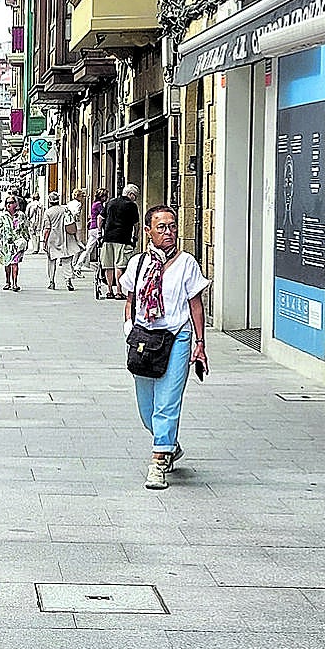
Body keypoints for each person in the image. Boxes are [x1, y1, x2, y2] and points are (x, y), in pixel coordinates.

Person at [120, 205, 210, 490]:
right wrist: (128, 329)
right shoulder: (137, 264)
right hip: (145, 339)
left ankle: (158, 463)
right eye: (161, 227)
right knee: (146, 408)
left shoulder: (186, 263)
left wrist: (200, 343)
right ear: (148, 231)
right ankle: (169, 443)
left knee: (167, 402)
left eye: (172, 226)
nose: (169, 232)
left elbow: (196, 306)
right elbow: (130, 302)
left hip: (177, 337)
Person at [100, 183, 141, 299]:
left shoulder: (110, 202)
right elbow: (136, 224)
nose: (135, 198)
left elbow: (100, 218)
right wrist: (136, 236)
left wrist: (100, 232)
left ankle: (109, 290)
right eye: (135, 196)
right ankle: (119, 291)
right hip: (123, 238)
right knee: (120, 265)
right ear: (130, 194)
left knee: (108, 265)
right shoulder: (131, 206)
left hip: (108, 237)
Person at [43, 192, 82, 290]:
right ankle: (68, 280)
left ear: (50, 201)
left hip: (53, 238)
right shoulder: (65, 209)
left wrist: (44, 241)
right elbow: (71, 221)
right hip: (66, 237)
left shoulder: (48, 212)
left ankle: (51, 282)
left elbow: (47, 228)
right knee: (67, 260)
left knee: (51, 261)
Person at [0, 193, 29, 291]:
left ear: (16, 204)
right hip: (5, 244)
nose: (10, 205)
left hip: (17, 243)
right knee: (7, 264)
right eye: (7, 203)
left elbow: (25, 228)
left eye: (12, 202)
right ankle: (7, 282)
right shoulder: (3, 216)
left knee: (15, 263)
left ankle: (15, 283)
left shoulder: (21, 215)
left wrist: (26, 240)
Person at [74, 188, 108, 276]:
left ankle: (78, 266)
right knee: (102, 248)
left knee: (88, 249)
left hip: (92, 228)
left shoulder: (94, 204)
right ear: (102, 197)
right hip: (97, 228)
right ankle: (102, 267)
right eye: (105, 196)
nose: (107, 198)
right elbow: (102, 216)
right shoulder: (99, 205)